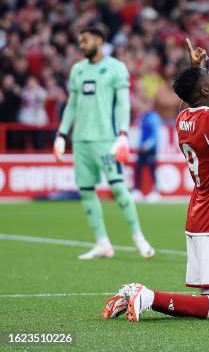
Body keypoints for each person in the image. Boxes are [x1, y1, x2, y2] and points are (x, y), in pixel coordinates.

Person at [101, 39, 209, 321]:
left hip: (199, 218)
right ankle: (147, 296)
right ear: (205, 90)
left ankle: (144, 297)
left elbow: (187, 103)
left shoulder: (184, 118)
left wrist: (195, 69)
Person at [53, 26, 155, 260]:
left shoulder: (116, 68)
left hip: (106, 139)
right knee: (87, 191)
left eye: (85, 40)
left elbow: (122, 104)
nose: (82, 45)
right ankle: (102, 243)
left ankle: (139, 237)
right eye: (80, 41)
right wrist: (61, 134)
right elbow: (72, 105)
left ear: (99, 40)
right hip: (81, 141)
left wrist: (122, 134)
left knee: (118, 188)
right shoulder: (77, 70)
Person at [132, 97, 162, 202]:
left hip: (150, 149)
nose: (141, 107)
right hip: (142, 149)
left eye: (143, 105)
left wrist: (147, 145)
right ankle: (137, 190)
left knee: (152, 170)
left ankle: (155, 192)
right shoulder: (142, 117)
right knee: (138, 169)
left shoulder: (154, 117)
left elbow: (155, 135)